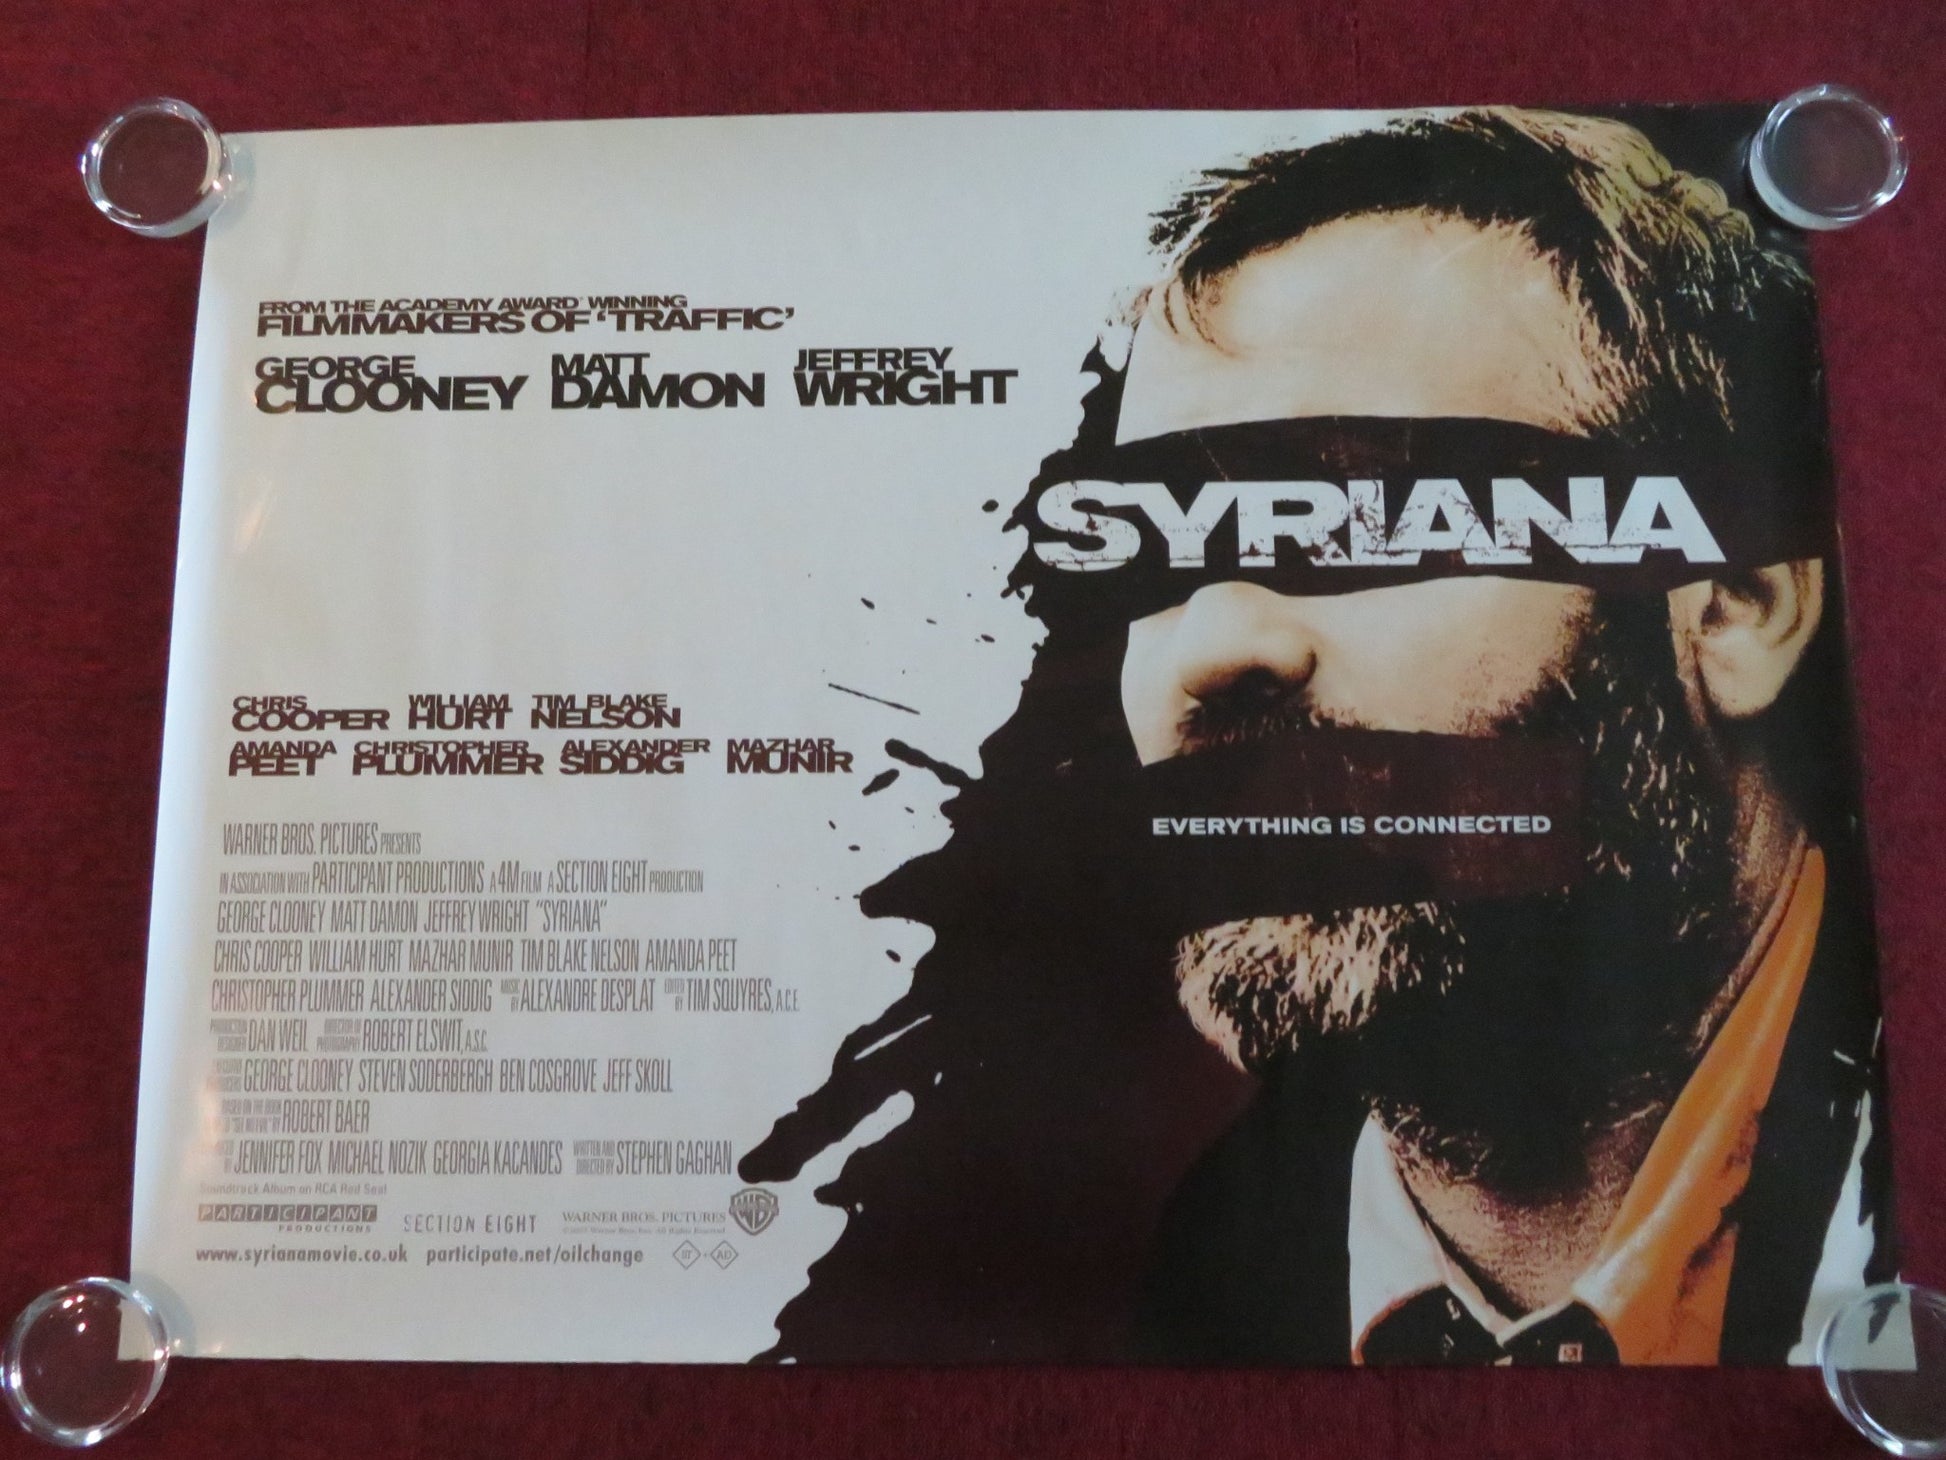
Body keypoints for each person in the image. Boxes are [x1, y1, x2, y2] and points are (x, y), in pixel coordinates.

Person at [744, 108, 1894, 1365]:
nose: (1208, 649)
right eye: (1148, 550)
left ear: (1731, 602)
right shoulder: (1171, 1295)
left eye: (1360, 515)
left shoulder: (1898, 1180)